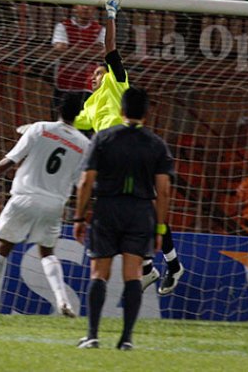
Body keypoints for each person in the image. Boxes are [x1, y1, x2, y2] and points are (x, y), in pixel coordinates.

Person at [73, 0, 184, 295]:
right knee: (131, 213)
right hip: (110, 160)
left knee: (147, 205)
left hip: (131, 148)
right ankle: (152, 268)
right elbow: (70, 122)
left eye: (100, 72)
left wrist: (110, 13)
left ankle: (170, 265)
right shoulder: (88, 108)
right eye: (94, 75)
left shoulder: (116, 82)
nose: (97, 76)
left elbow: (109, 47)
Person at [0, 94, 90, 318]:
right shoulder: (85, 144)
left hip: (24, 197)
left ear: (57, 110)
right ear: (79, 114)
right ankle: (63, 301)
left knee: (2, 250)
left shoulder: (39, 128)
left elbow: (10, 160)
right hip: (54, 204)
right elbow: (80, 182)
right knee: (48, 253)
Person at [72, 87, 174, 350]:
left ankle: (92, 335)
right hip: (140, 213)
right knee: (133, 275)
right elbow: (163, 189)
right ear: (147, 113)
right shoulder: (157, 145)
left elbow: (86, 181)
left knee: (99, 273)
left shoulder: (103, 138)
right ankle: (126, 339)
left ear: (121, 110)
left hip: (107, 208)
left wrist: (79, 217)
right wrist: (160, 227)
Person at [51, 4, 105, 117]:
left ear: (95, 9)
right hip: (64, 82)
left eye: (89, 6)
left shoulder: (101, 29)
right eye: (82, 5)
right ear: (74, 7)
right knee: (60, 118)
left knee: (85, 121)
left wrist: (72, 49)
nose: (86, 8)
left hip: (88, 85)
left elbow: (101, 54)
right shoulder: (62, 26)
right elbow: (60, 51)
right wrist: (89, 51)